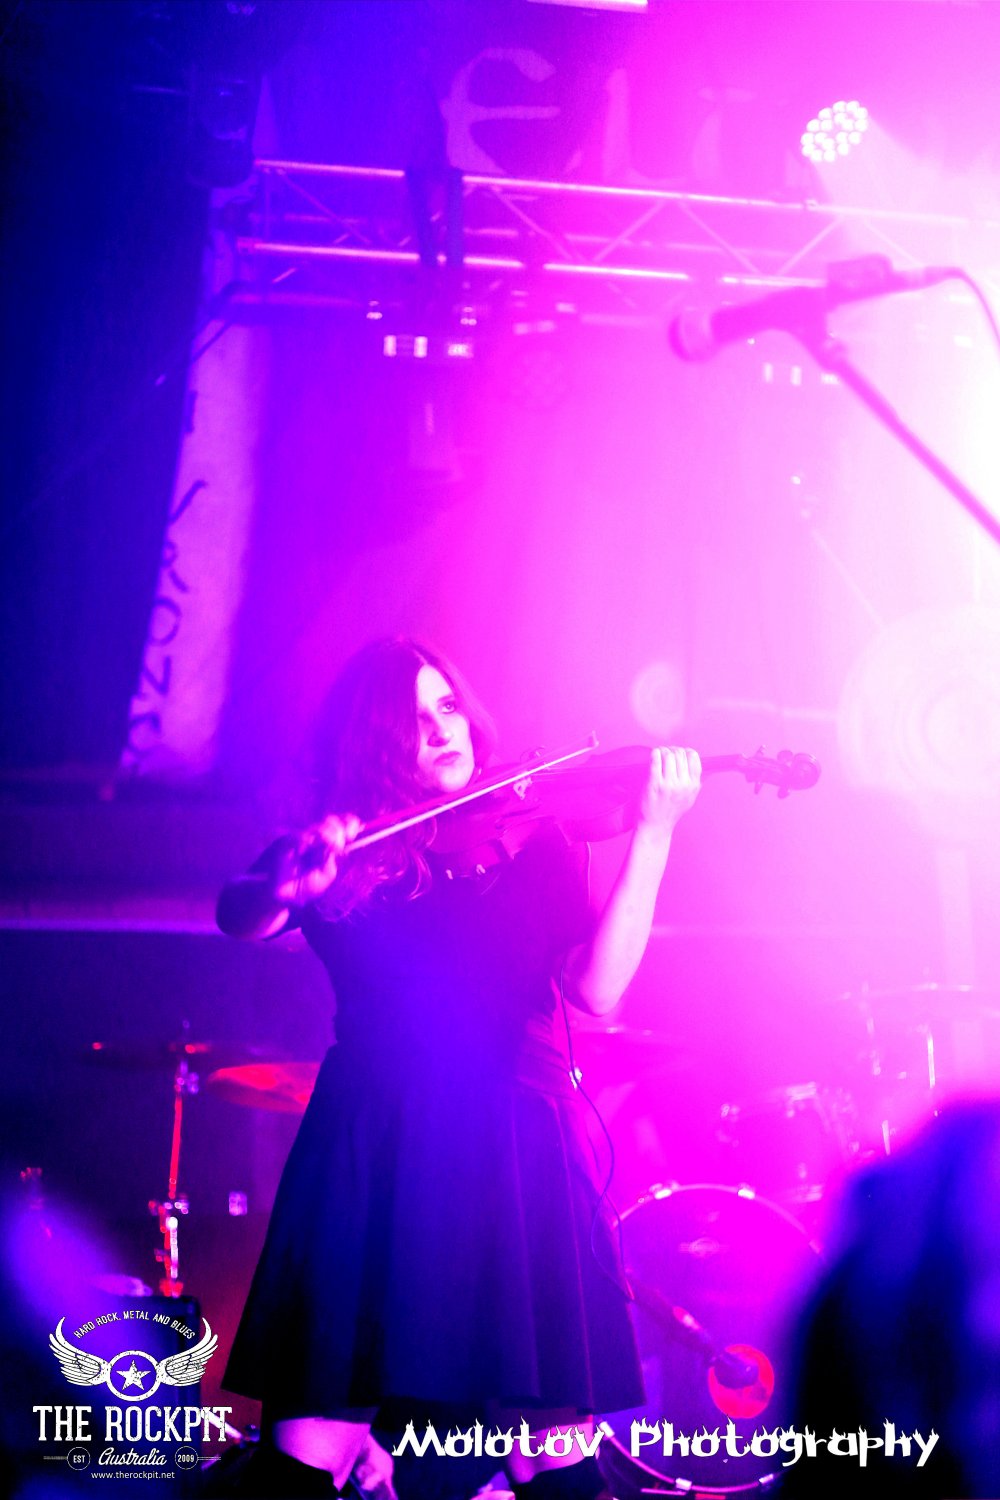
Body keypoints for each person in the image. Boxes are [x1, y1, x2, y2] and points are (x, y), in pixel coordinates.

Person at [216, 639, 701, 1500]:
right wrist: (289, 885)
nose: (445, 730)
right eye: (415, 720)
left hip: (518, 1145)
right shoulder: (345, 854)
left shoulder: (538, 839)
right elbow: (241, 913)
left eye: (449, 707)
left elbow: (597, 991)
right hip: (378, 1147)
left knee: (554, 1453)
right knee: (310, 1449)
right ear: (375, 746)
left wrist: (654, 836)